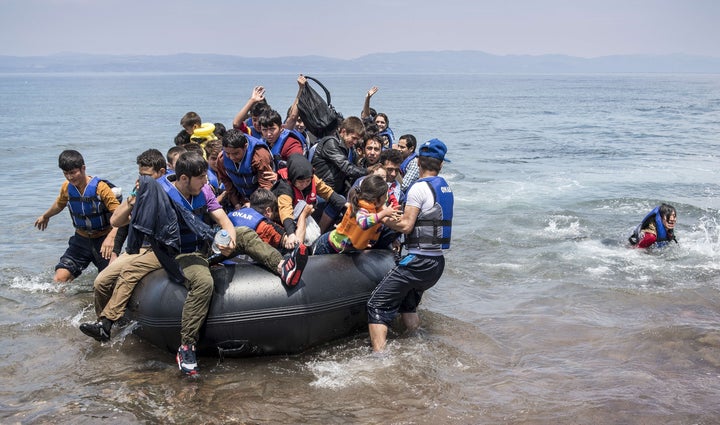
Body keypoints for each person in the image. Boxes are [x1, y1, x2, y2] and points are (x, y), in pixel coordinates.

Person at [128, 152, 308, 376]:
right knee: (204, 283)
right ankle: (186, 347)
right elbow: (120, 221)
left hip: (205, 246)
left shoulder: (203, 191)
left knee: (243, 233)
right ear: (184, 178)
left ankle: (283, 267)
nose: (207, 182)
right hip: (181, 256)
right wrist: (131, 204)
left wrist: (230, 241)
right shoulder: (161, 195)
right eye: (201, 178)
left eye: (206, 176)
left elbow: (223, 220)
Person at [367, 138, 453, 353]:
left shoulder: (418, 189)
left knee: (376, 304)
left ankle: (379, 358)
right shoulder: (445, 187)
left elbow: (405, 225)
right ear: (441, 164)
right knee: (408, 304)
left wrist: (379, 216)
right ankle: (417, 346)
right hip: (436, 263)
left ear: (418, 163)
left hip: (418, 261)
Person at [79, 148, 167, 342]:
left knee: (128, 275)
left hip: (159, 250)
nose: (143, 179)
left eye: (148, 176)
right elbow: (117, 222)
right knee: (101, 282)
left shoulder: (169, 191)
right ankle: (102, 325)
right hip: (137, 248)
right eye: (140, 175)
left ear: (162, 172)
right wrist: (131, 200)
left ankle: (107, 322)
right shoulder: (139, 192)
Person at [34, 150, 120, 282]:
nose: (70, 177)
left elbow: (122, 216)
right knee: (59, 279)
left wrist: (111, 238)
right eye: (66, 173)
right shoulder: (66, 188)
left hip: (103, 241)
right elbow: (59, 204)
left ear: (83, 168)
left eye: (73, 172)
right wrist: (46, 216)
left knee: (107, 282)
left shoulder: (101, 188)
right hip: (81, 240)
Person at [312, 174, 400, 255]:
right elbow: (363, 223)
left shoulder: (376, 208)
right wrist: (384, 213)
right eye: (385, 196)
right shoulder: (361, 209)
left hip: (347, 249)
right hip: (328, 246)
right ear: (375, 199)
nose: (386, 199)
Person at [273, 154, 346, 245]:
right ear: (293, 177)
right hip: (285, 219)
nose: (304, 185)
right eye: (300, 182)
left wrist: (347, 206)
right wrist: (291, 234)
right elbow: (285, 211)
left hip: (306, 211)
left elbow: (327, 192)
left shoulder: (311, 178)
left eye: (307, 181)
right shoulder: (284, 187)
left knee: (341, 199)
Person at [228, 188, 312, 253]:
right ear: (268, 211)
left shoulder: (234, 213)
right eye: (274, 211)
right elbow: (297, 245)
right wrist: (303, 216)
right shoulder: (266, 227)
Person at [215, 128, 275, 210]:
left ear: (245, 147)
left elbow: (266, 186)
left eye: (236, 153)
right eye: (228, 153)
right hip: (240, 199)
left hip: (261, 199)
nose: (231, 157)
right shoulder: (222, 159)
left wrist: (252, 204)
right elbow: (227, 182)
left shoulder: (260, 156)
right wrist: (236, 204)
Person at [311, 116, 368, 197]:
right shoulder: (331, 143)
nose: (355, 142)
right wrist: (369, 172)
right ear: (344, 132)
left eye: (357, 139)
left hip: (336, 192)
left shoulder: (348, 148)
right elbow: (347, 167)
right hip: (322, 192)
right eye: (353, 138)